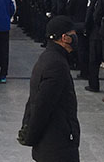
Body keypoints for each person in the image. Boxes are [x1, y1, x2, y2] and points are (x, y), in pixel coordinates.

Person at [18, 15, 80, 162]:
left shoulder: (49, 58)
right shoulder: (56, 64)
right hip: (57, 144)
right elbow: (42, 105)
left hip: (49, 143)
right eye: (73, 34)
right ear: (64, 38)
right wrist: (31, 135)